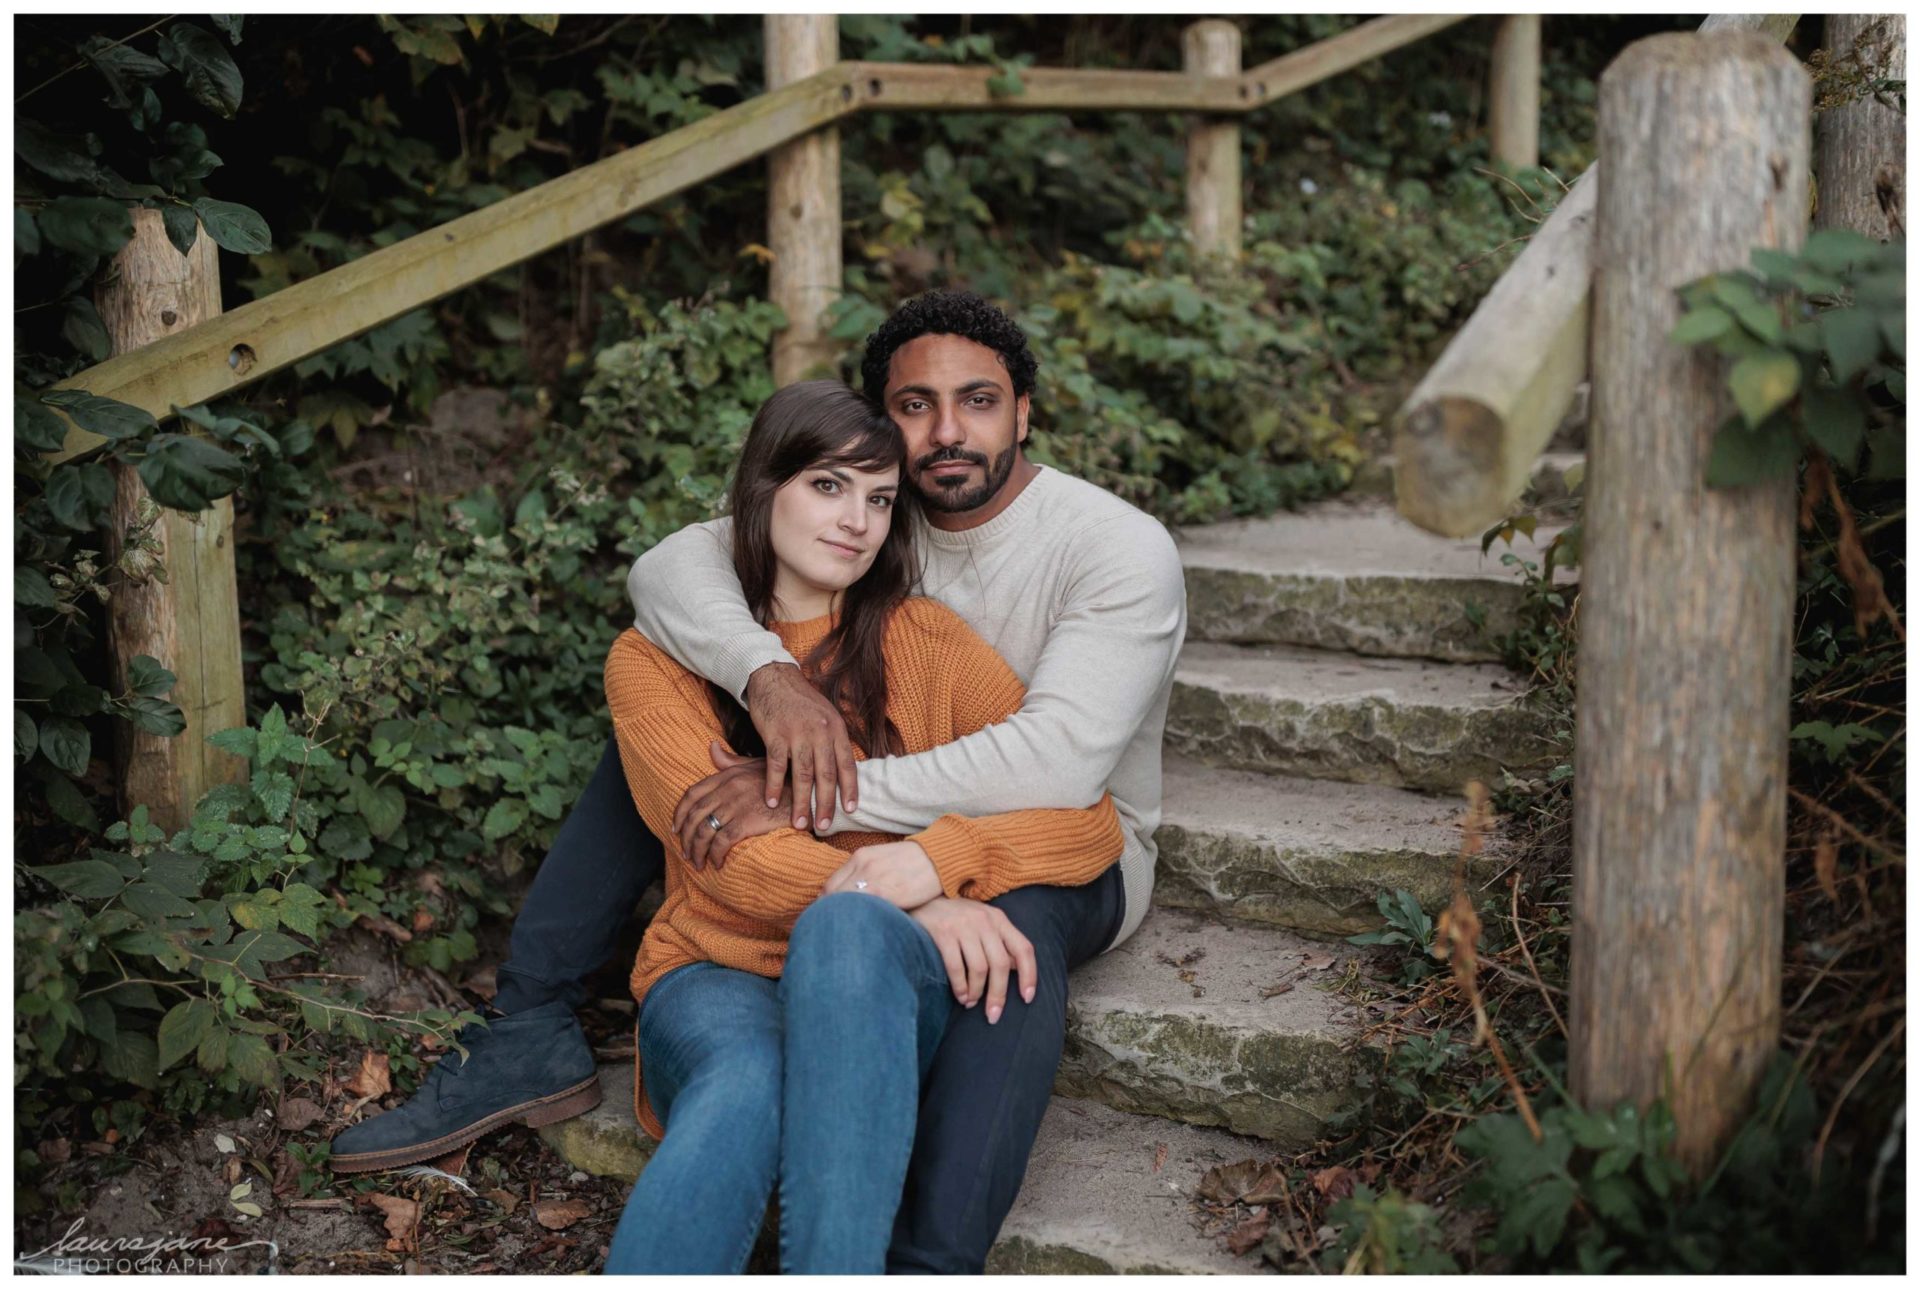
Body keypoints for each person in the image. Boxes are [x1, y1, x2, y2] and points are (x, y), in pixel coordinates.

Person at [330, 291, 1187, 1275]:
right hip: (728, 959)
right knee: (748, 1060)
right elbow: (672, 572)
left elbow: (1070, 786)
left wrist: (914, 860)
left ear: (1024, 411)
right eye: (909, 412)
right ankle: (532, 1018)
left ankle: (928, 1260)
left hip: (983, 873)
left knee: (980, 936)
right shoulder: (685, 636)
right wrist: (769, 680)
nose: (943, 433)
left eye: (979, 400)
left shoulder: (1050, 577)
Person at [594, 379, 1124, 1272]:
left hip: (870, 993)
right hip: (715, 972)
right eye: (829, 486)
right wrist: (910, 904)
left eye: (880, 498)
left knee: (847, 928)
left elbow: (1088, 820)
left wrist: (938, 859)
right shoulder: (656, 661)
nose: (859, 521)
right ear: (764, 490)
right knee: (746, 1088)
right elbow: (733, 863)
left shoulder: (929, 643)